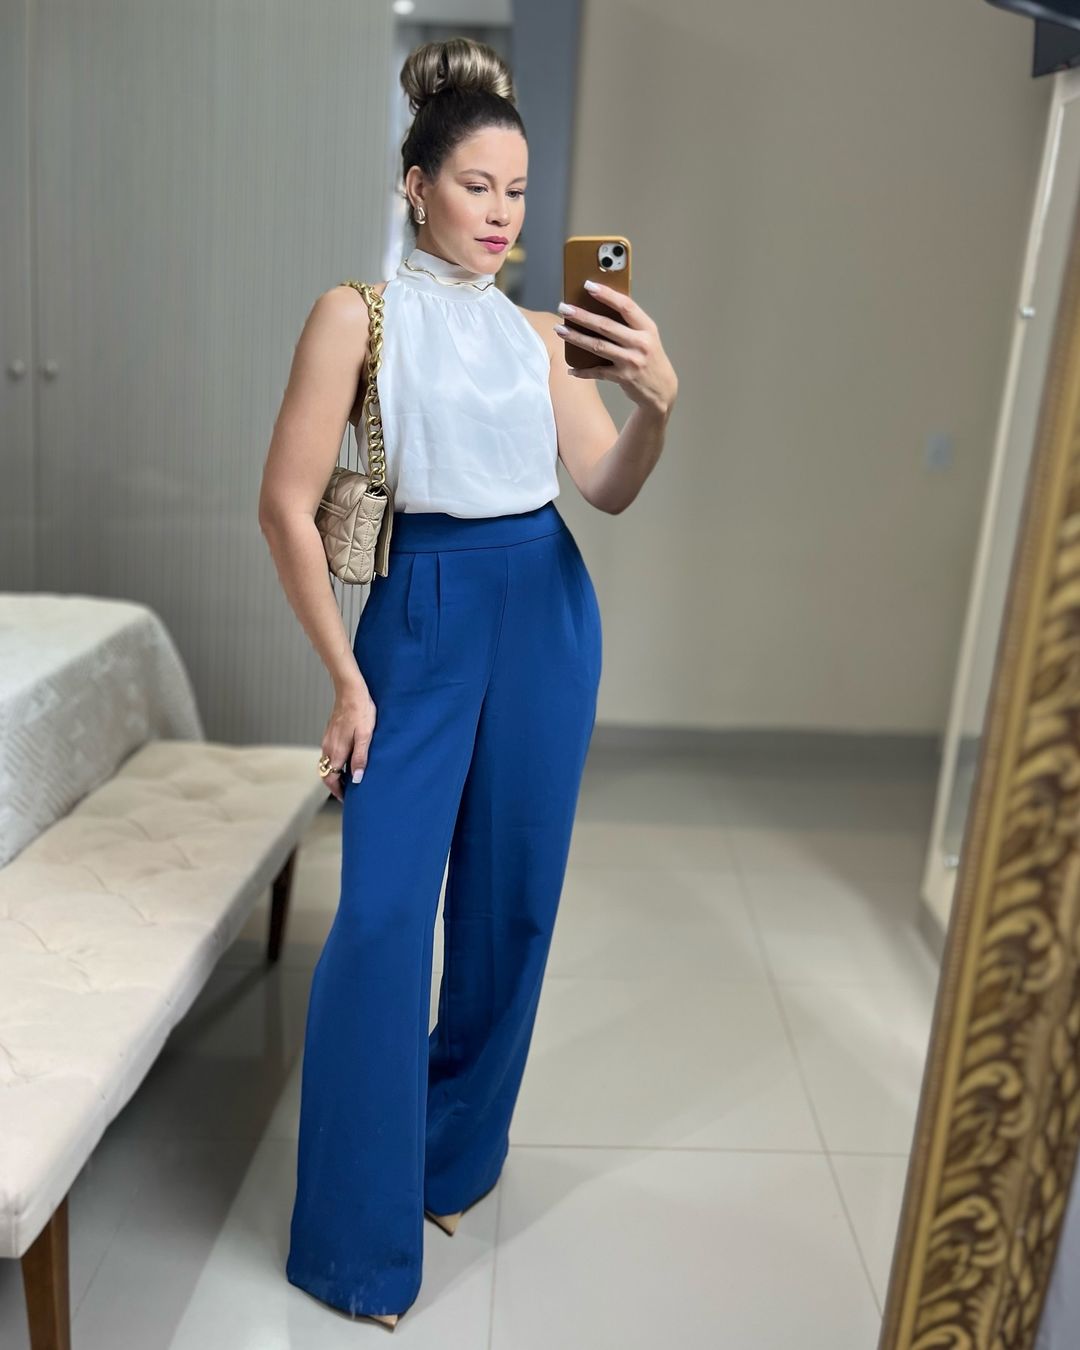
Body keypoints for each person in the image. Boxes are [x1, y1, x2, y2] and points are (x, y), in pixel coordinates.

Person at [257, 35, 678, 1331]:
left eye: (519, 191)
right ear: (416, 184)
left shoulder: (542, 334)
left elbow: (602, 487)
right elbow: (282, 505)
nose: (502, 214)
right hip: (421, 611)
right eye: (476, 185)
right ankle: (353, 1243)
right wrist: (346, 678)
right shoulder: (354, 314)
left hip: (544, 607)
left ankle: (451, 1158)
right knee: (383, 920)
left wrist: (656, 405)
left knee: (511, 912)